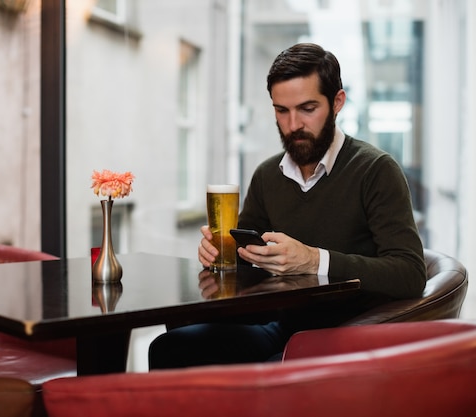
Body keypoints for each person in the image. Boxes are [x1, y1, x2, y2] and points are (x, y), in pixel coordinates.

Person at [148, 42, 426, 369]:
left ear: (337, 103)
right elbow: (247, 262)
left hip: (346, 338)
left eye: (307, 109)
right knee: (170, 347)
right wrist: (218, 253)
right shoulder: (268, 175)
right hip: (283, 327)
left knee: (257, 372)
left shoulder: (375, 170)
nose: (293, 125)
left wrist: (312, 259)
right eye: (282, 110)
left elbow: (410, 274)